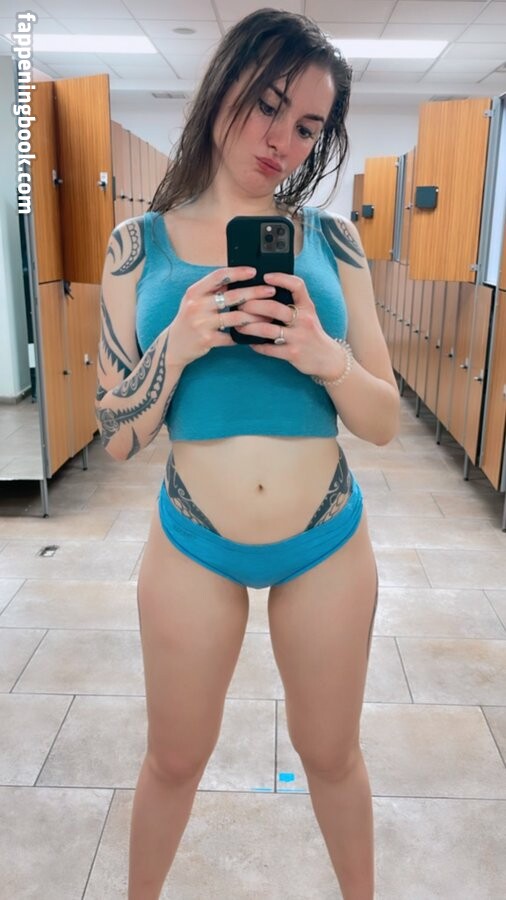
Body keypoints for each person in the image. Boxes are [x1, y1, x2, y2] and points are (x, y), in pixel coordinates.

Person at [96, 8, 400, 900]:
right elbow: (117, 431)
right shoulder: (136, 245)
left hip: (326, 536)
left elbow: (384, 420)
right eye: (268, 104)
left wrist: (324, 356)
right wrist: (177, 345)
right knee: (173, 759)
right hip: (192, 537)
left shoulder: (333, 242)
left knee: (332, 756)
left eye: (307, 125)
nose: (281, 141)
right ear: (222, 84)